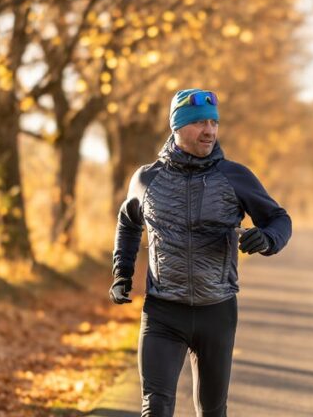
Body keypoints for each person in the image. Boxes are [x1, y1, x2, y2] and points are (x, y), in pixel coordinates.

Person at [109, 88, 292, 417]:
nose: (209, 130)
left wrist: (266, 239)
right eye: (199, 123)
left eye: (213, 122)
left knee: (211, 411)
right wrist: (122, 273)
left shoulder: (234, 176)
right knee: (156, 408)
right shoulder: (146, 179)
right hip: (163, 312)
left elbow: (279, 219)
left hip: (217, 312)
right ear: (176, 128)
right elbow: (128, 221)